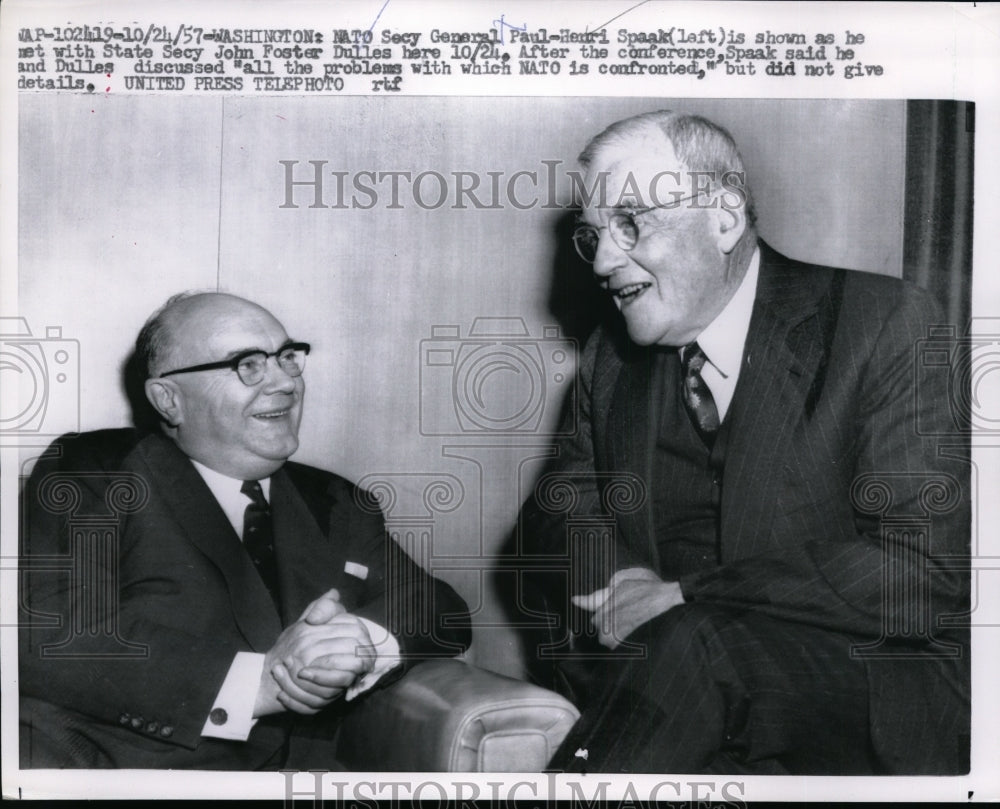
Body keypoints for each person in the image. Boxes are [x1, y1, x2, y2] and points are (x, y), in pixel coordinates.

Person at [518, 110, 969, 774]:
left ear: (724, 218)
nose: (605, 261)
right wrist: (623, 586)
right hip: (680, 696)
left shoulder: (884, 324)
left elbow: (920, 571)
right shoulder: (610, 360)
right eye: (594, 236)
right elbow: (553, 516)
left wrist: (686, 594)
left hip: (865, 688)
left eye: (631, 222)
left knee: (695, 641)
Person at [19, 292, 471, 769]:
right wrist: (258, 682)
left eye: (287, 357)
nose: (286, 382)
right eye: (248, 365)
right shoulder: (95, 473)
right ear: (168, 399)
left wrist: (361, 639)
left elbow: (437, 606)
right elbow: (50, 631)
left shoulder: (336, 499)